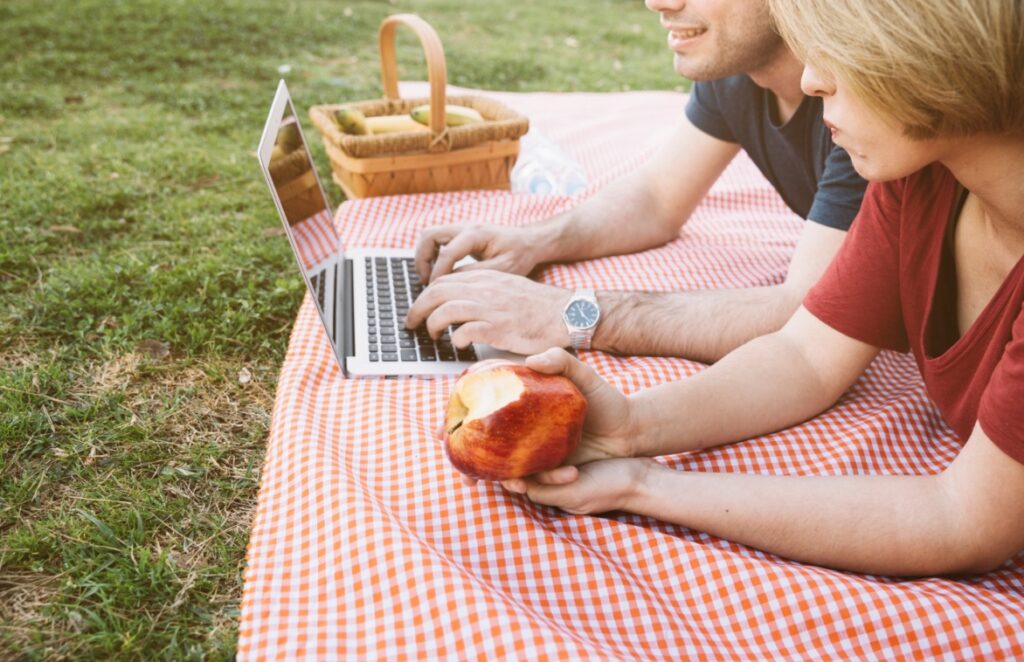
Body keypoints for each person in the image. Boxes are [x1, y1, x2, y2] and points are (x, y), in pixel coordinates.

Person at [479, 0, 1024, 577]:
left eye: (843, 46)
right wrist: (632, 428)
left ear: (941, 51)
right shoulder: (920, 181)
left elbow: (960, 520)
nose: (811, 79)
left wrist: (644, 486)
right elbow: (805, 355)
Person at [405, 0, 867, 363]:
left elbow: (803, 311)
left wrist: (569, 312)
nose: (656, 3)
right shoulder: (735, 71)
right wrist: (532, 241)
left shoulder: (862, 106)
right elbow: (656, 199)